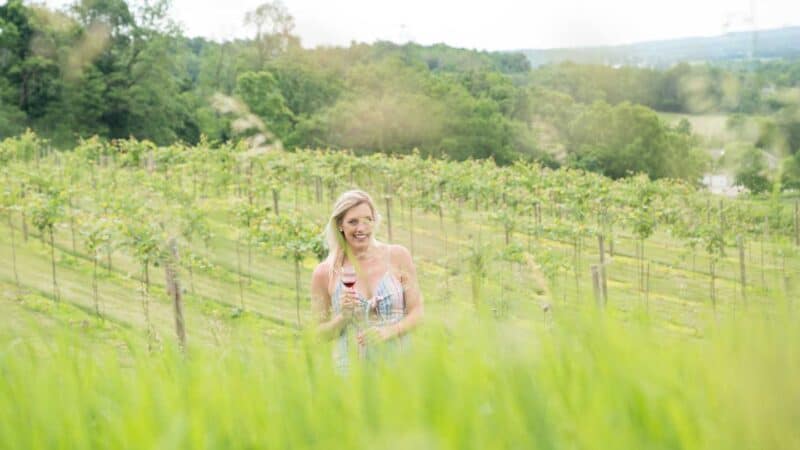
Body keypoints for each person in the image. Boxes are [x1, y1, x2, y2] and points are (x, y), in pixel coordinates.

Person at [310, 190, 423, 371]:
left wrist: (389, 332)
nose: (361, 228)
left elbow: (417, 312)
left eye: (367, 220)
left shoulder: (398, 256)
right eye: (353, 222)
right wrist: (343, 318)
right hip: (350, 375)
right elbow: (317, 335)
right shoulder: (325, 273)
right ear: (340, 225)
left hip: (400, 369)